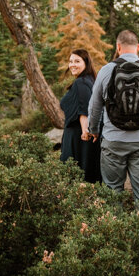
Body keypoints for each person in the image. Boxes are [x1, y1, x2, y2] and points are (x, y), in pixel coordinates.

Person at [88, 30, 139, 213]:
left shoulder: (107, 70)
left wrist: (93, 129)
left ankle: (116, 236)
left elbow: (95, 106)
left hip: (113, 140)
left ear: (118, 47)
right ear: (138, 47)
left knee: (113, 189)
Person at [59, 48, 101, 183]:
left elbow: (84, 109)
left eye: (77, 61)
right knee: (87, 172)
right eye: (70, 61)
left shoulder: (81, 82)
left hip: (78, 137)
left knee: (76, 174)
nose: (72, 65)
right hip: (84, 136)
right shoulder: (90, 80)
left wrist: (85, 131)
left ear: (86, 63)